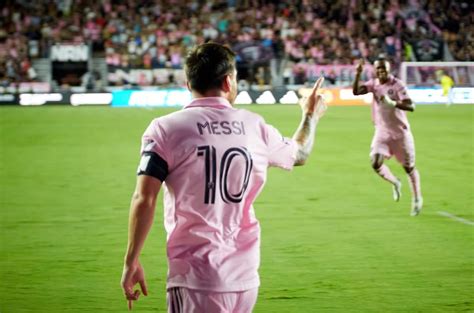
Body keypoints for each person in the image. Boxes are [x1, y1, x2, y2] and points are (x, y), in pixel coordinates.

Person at [120, 42, 327, 312]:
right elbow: (299, 154)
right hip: (245, 278)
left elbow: (144, 198)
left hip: (196, 276)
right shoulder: (256, 126)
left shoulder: (165, 129)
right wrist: (310, 115)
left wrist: (131, 261)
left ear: (187, 83)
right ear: (229, 81)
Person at [353, 58, 423, 216]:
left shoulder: (397, 85)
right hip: (382, 131)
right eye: (378, 69)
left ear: (389, 69)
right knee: (375, 162)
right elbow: (356, 91)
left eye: (383, 68)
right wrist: (357, 74)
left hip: (400, 132)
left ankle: (417, 198)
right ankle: (395, 182)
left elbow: (411, 106)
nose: (380, 72)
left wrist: (393, 103)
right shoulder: (373, 84)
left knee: (408, 168)